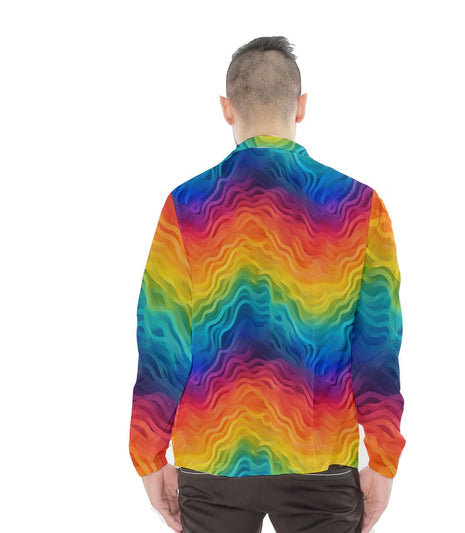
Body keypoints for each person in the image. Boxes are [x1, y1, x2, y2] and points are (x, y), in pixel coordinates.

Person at [129, 36, 406, 533]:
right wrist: (383, 458)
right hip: (320, 458)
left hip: (213, 459)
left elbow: (161, 343)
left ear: (226, 108)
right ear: (301, 107)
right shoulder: (359, 207)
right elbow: (377, 347)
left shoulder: (186, 207)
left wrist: (148, 453)